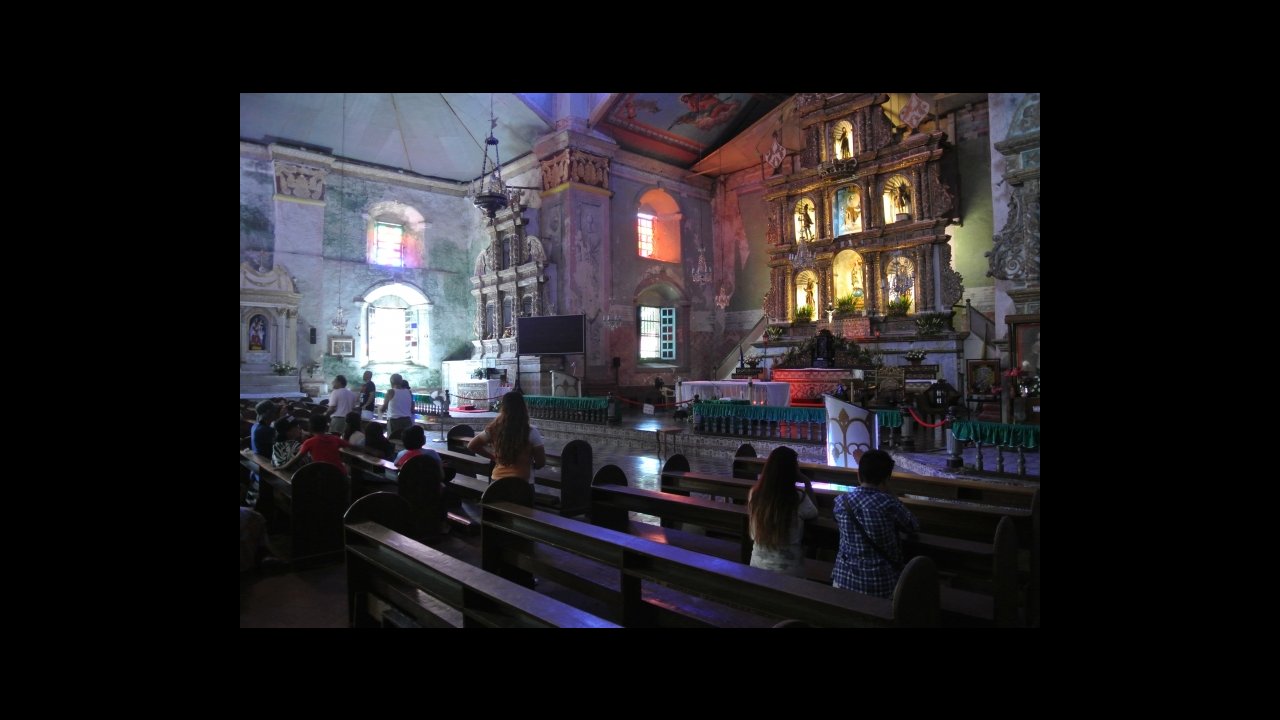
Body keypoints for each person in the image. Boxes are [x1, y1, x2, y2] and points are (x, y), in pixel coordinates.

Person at [832, 449, 919, 598]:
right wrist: (890, 492)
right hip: (881, 586)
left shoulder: (841, 502)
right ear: (887, 478)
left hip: (844, 582)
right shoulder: (888, 503)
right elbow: (912, 526)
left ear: (858, 475)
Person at [747, 446, 819, 577]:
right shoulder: (798, 497)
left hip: (757, 568)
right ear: (793, 472)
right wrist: (807, 483)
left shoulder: (755, 494)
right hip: (789, 572)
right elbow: (814, 512)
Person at [467, 392, 546, 484]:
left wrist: (494, 457)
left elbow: (471, 445)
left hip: (497, 482)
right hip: (522, 483)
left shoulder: (494, 429)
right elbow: (541, 462)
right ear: (523, 408)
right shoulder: (531, 432)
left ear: (503, 408)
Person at [276, 415, 351, 477]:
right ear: (288, 432)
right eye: (296, 426)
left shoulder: (279, 445)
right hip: (336, 473)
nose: (300, 428)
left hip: (321, 475)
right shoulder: (296, 446)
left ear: (311, 428)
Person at [384, 373, 414, 440]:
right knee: (407, 441)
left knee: (393, 441)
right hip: (407, 420)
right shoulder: (409, 392)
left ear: (391, 382)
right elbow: (412, 408)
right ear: (401, 381)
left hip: (394, 422)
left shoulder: (390, 392)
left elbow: (384, 407)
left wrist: (381, 410)